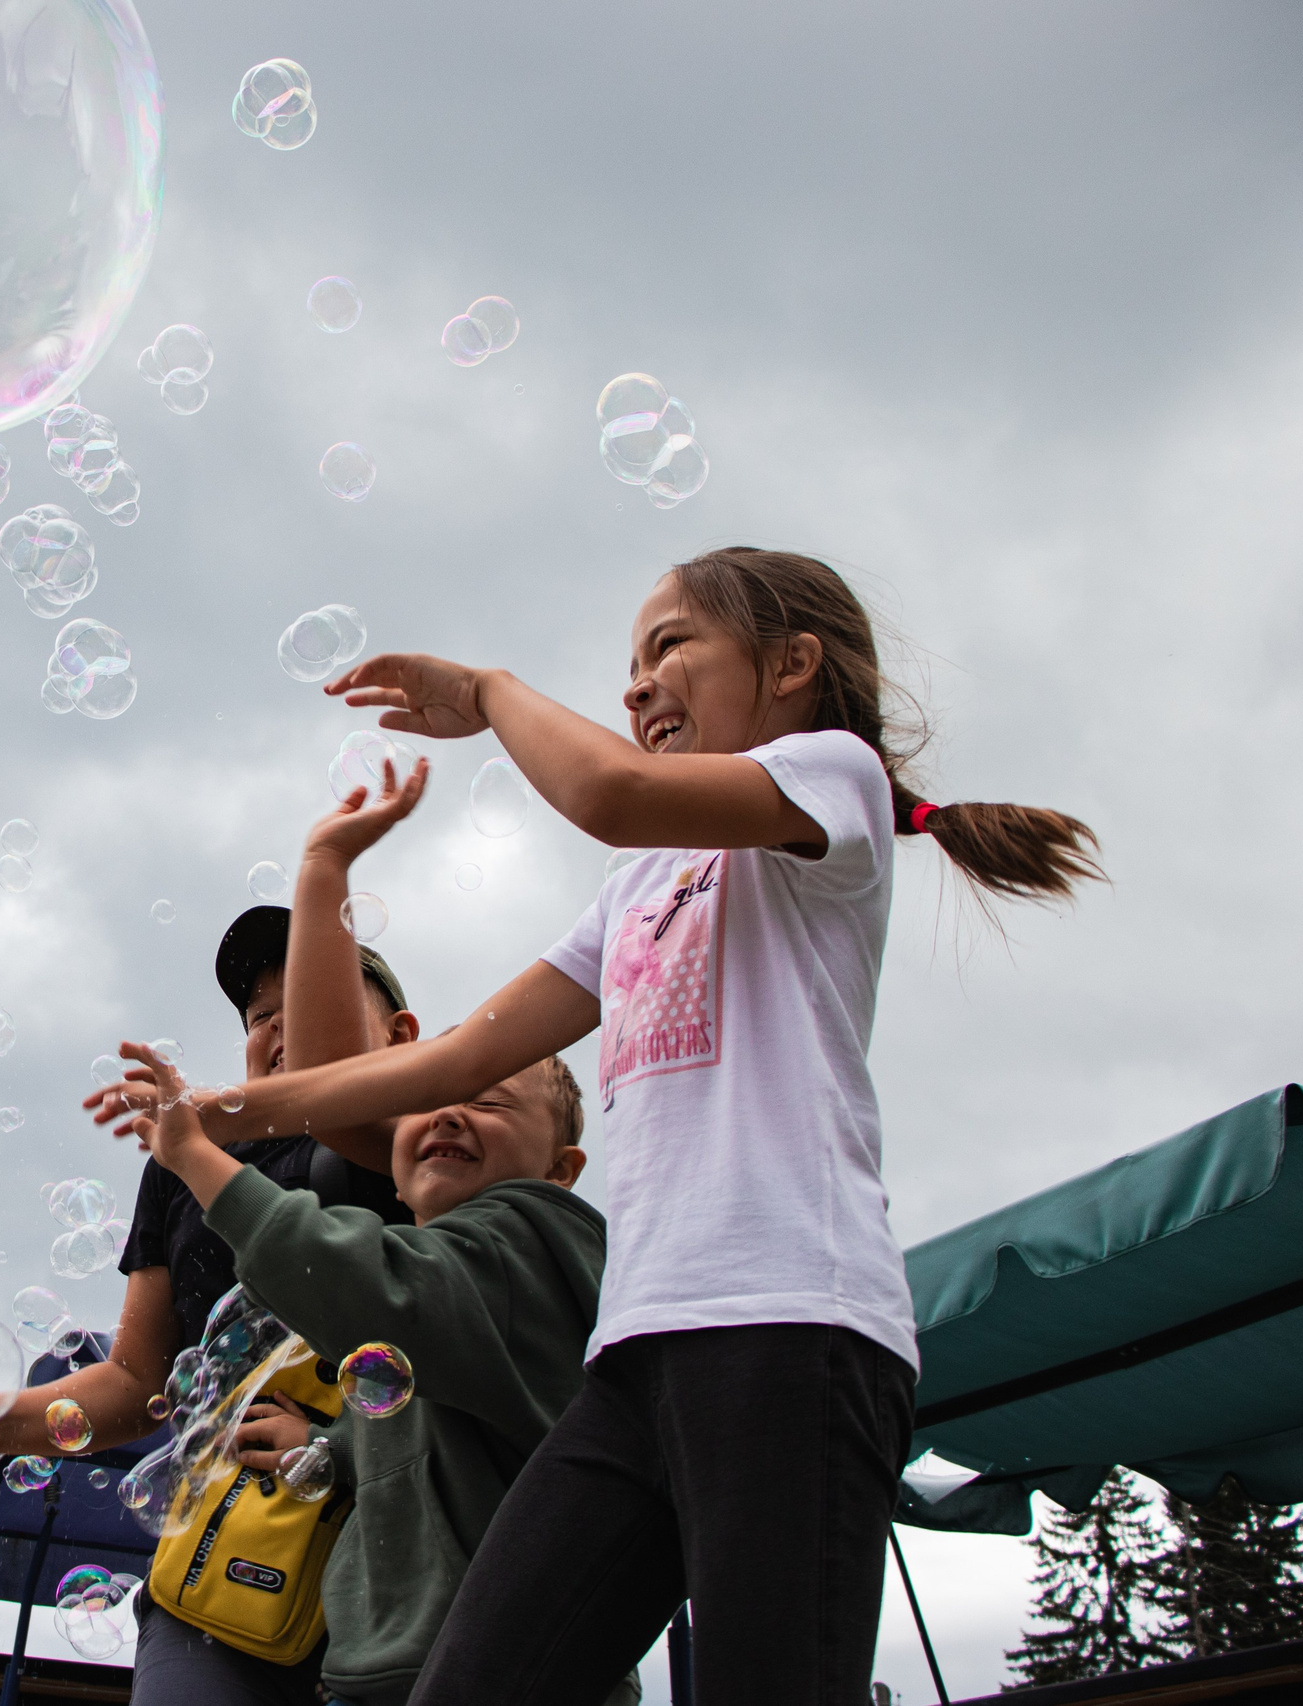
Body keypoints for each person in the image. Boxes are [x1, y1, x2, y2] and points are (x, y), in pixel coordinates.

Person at [91, 548, 1102, 1706]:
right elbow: (460, 1054)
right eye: (627, 661)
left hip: (789, 1327)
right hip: (631, 1361)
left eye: (670, 644)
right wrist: (218, 1109)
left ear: (792, 665)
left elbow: (609, 796)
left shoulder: (835, 777)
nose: (635, 682)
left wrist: (487, 692)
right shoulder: (641, 889)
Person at [0, 764, 432, 1706]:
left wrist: (331, 1444)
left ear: (404, 1037)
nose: (281, 1028)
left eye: (313, 1000)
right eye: (262, 1017)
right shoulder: (181, 1166)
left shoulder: (425, 1137)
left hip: (399, 1550)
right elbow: (143, 1384)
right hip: (223, 1560)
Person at [118, 1039, 633, 1706]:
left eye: (488, 1101)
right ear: (392, 1169)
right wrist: (329, 1450)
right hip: (429, 1668)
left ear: (561, 1169)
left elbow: (367, 1285)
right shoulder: (458, 1303)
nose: (448, 1115)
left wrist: (195, 1157)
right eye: (426, 1103)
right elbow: (441, 1440)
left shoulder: (533, 1243)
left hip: (500, 1667)